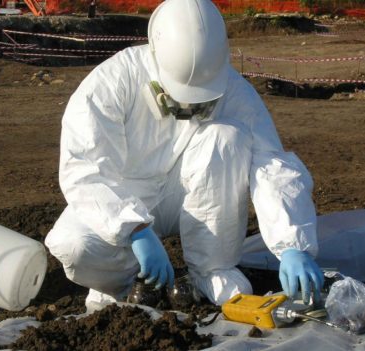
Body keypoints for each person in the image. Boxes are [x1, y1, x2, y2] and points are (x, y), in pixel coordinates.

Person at [45, 0, 324, 311]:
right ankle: (123, 285)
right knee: (73, 246)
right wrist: (134, 229)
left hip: (189, 194)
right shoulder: (111, 83)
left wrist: (292, 246)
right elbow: (85, 171)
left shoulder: (234, 89)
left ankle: (209, 269)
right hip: (126, 194)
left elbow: (271, 165)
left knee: (226, 136)